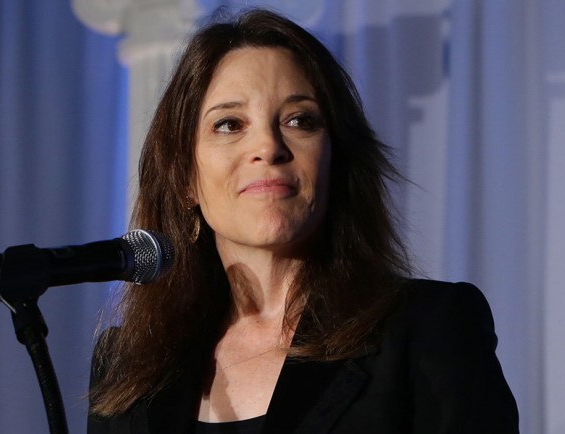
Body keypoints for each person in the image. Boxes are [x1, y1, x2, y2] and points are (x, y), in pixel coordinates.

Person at [88, 8, 519, 434]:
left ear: (337, 161)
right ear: (185, 179)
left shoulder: (428, 328)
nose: (268, 146)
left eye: (300, 120)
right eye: (229, 124)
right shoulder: (128, 368)